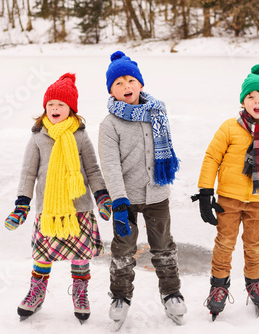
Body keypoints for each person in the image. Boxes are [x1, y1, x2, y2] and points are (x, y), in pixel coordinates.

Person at [192, 64, 259, 318]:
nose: (257, 101)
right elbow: (211, 158)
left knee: (254, 244)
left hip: (258, 200)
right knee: (225, 243)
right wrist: (206, 193)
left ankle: (254, 281)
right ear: (243, 102)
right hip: (227, 200)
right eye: (251, 96)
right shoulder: (230, 127)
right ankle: (218, 286)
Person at [4, 73, 112, 322]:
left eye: (61, 104)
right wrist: (22, 205)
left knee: (81, 255)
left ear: (71, 109)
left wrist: (102, 197)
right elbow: (28, 172)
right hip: (48, 209)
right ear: (45, 108)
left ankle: (80, 291)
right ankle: (37, 292)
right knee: (42, 255)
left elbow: (93, 169)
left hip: (79, 206)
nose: (55, 108)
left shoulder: (80, 135)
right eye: (50, 104)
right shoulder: (38, 136)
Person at [98, 51, 187, 326]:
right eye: (119, 83)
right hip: (126, 198)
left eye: (130, 80)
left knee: (163, 246)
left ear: (140, 84)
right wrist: (120, 202)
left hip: (157, 194)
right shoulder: (109, 125)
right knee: (123, 248)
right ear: (111, 91)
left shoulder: (156, 113)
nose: (126, 87)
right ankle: (120, 296)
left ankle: (171, 293)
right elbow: (110, 166)